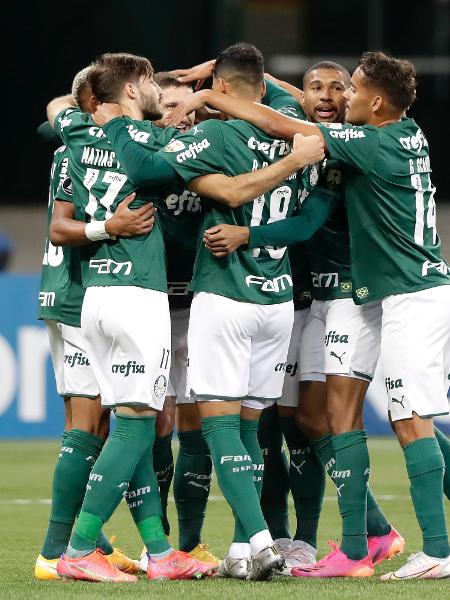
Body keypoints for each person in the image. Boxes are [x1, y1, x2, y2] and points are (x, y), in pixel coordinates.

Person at [180, 51, 450, 580]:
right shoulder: (405, 127)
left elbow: (287, 124)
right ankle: (354, 551)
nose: (337, 98)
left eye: (348, 90)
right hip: (375, 294)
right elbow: (297, 107)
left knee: (410, 418)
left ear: (373, 102)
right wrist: (252, 78)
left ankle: (438, 551)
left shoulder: (373, 142)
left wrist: (212, 94)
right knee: (335, 415)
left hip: (409, 295)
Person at [93, 42, 327, 580]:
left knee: (218, 424)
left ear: (220, 89)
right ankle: (244, 548)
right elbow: (288, 109)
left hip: (225, 293)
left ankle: (264, 541)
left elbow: (149, 170)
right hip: (279, 299)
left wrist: (122, 125)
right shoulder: (296, 129)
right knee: (251, 426)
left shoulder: (214, 135)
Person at [35, 66, 138, 580]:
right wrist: (107, 227)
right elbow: (59, 227)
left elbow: (57, 108)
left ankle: (91, 541)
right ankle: (56, 552)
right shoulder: (75, 149)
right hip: (76, 294)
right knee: (87, 425)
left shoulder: (100, 142)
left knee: (93, 426)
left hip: (86, 294)